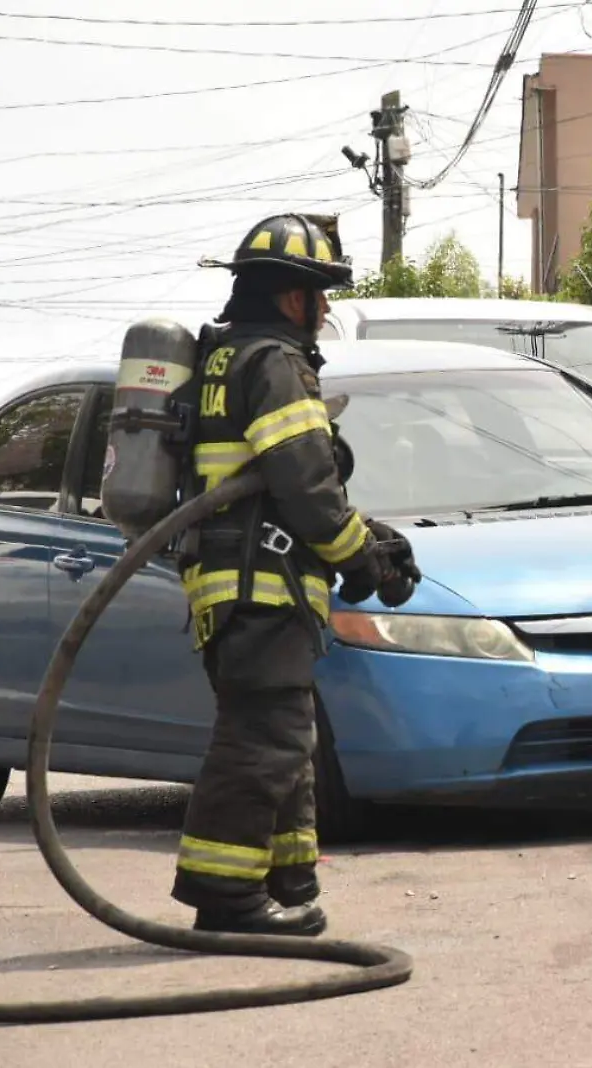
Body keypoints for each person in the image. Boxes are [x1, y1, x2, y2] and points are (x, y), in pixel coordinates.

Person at [176, 214, 419, 935]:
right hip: (261, 584)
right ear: (293, 299)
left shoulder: (222, 358)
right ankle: (226, 898)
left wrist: (367, 537)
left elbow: (274, 484)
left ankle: (287, 883)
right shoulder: (276, 362)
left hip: (235, 585)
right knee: (263, 742)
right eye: (321, 297)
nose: (326, 312)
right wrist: (362, 559)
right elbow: (307, 489)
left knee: (285, 736)